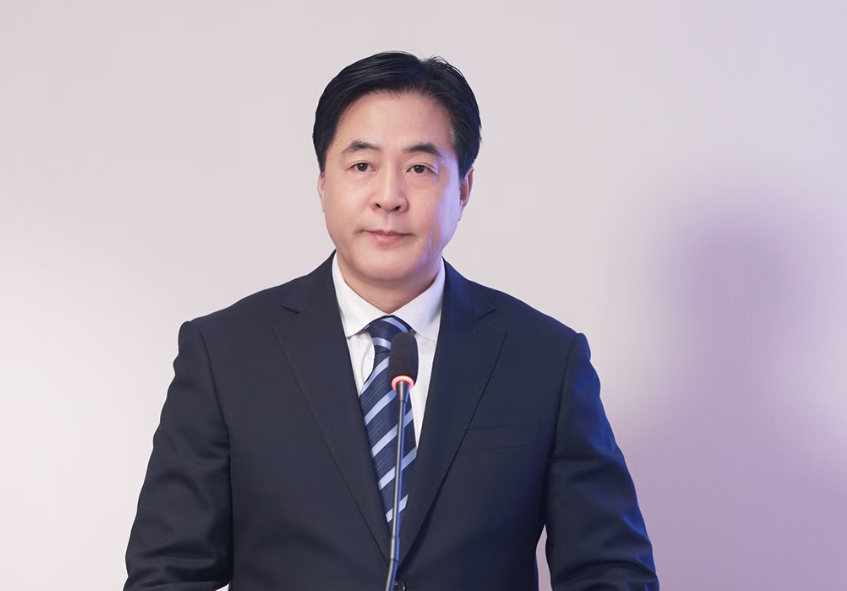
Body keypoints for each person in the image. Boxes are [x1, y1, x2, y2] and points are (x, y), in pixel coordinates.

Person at [123, 51, 659, 591]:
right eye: (362, 166)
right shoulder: (226, 354)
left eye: (419, 169)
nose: (388, 197)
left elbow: (611, 571)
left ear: (463, 189)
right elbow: (167, 575)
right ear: (323, 183)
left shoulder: (545, 359)